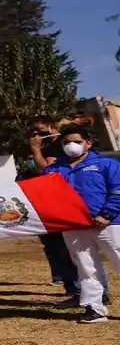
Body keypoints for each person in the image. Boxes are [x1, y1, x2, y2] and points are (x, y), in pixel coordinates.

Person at [46, 125, 120, 324]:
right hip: (74, 226)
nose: (72, 145)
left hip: (109, 224)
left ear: (88, 143)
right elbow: (45, 197)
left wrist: (106, 215)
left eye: (77, 142)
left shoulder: (107, 164)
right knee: (86, 267)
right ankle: (94, 308)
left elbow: (118, 190)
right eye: (67, 142)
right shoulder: (53, 170)